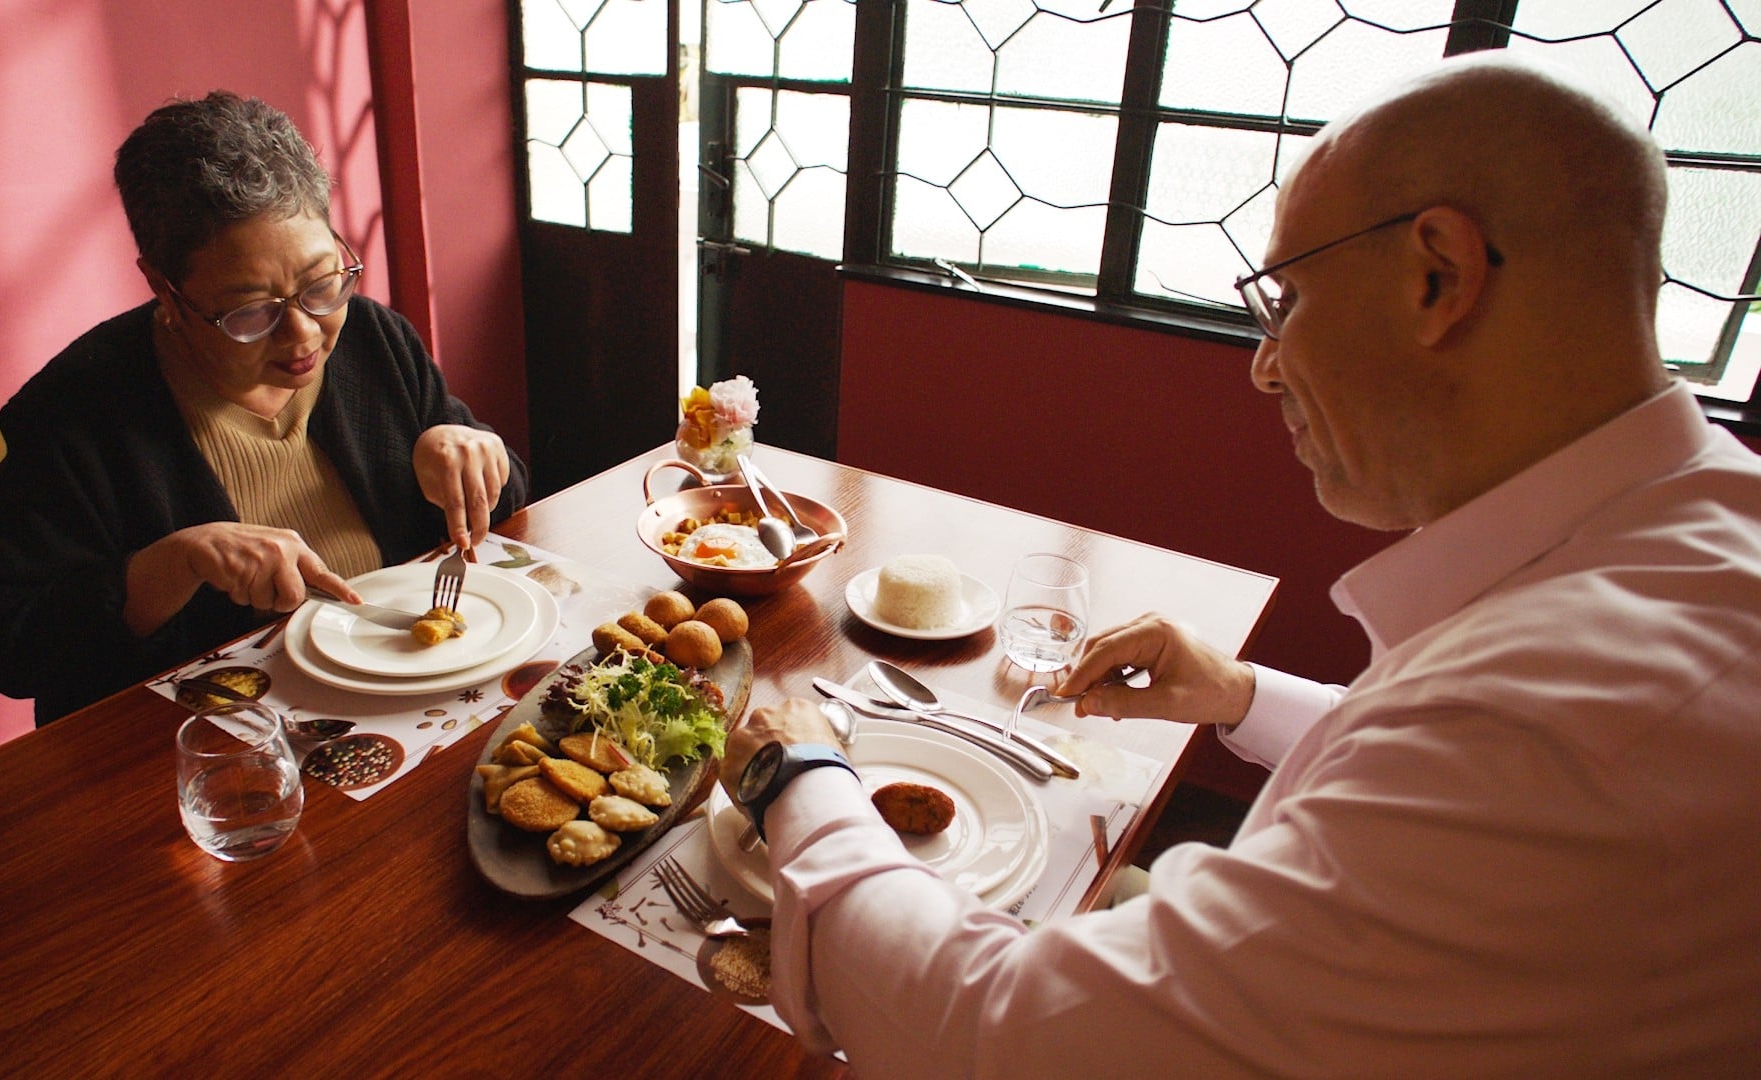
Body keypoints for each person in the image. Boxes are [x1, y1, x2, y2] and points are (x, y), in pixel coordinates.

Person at [721, 54, 1761, 1076]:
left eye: (1287, 302)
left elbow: (989, 1038)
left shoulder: (1565, 727)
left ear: (1438, 274)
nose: (1265, 367)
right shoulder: (1696, 533)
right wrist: (1243, 695)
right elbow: (1433, 770)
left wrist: (801, 775)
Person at [0, 91, 528, 725]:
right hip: (213, 752)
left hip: (413, 705)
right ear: (164, 289)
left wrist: (464, 445)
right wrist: (172, 563)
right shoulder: (73, 416)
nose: (304, 335)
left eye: (320, 282)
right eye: (251, 312)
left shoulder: (371, 338)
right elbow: (9, 645)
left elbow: (500, 512)